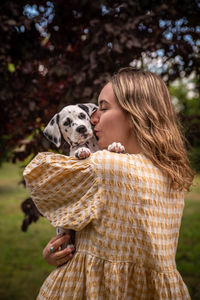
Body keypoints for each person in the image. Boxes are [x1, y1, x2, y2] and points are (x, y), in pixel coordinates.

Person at [24, 67, 194, 299]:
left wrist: (54, 251)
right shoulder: (172, 175)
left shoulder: (104, 167)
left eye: (103, 108)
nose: (93, 118)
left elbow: (37, 174)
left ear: (135, 115)